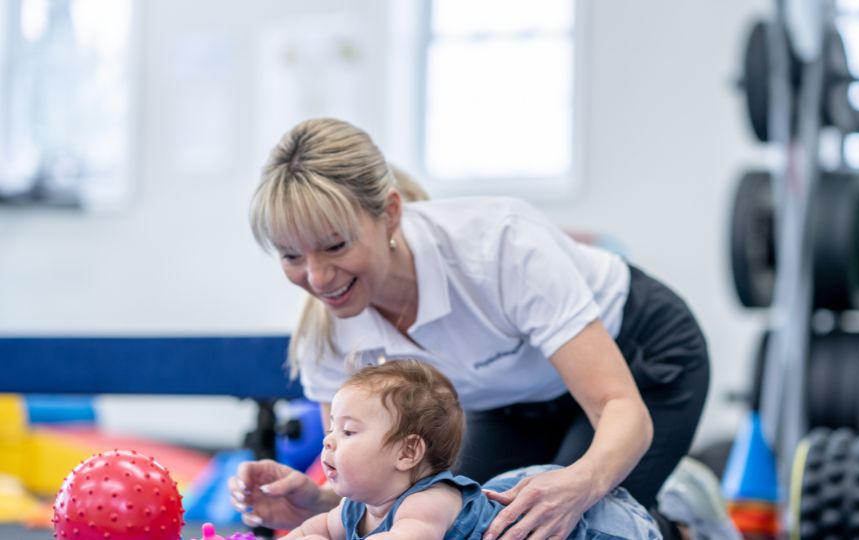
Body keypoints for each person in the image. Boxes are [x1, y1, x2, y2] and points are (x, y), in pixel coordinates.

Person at [231, 117, 710, 540]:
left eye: (334, 246)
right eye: (292, 256)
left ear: (390, 213)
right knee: (461, 521)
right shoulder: (327, 331)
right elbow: (380, 486)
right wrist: (317, 502)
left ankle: (678, 519)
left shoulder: (500, 245)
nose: (316, 278)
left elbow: (619, 405)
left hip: (637, 360)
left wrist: (580, 484)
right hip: (508, 399)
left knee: (560, 525)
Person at [278, 359, 661, 540]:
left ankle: (677, 513)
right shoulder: (354, 509)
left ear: (407, 453)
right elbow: (312, 531)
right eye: (331, 428)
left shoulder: (428, 502)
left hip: (601, 531)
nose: (328, 440)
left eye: (348, 431)